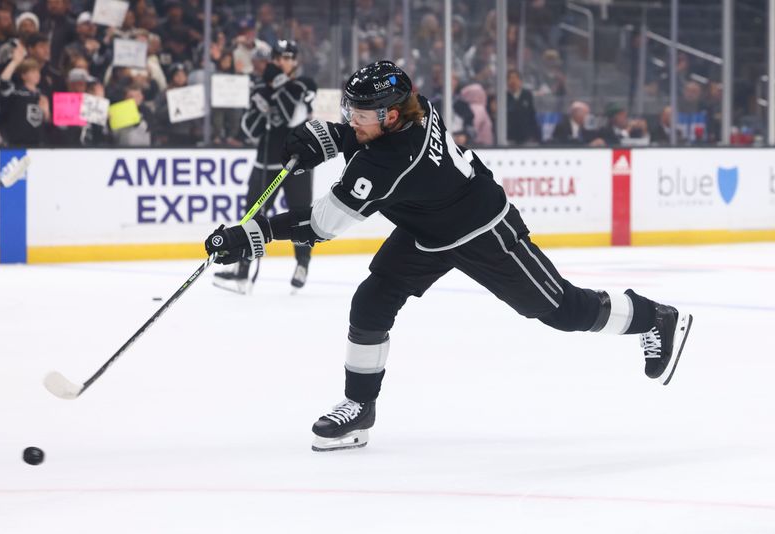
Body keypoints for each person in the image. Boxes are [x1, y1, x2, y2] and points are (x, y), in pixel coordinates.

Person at [204, 61, 694, 452]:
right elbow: (362, 137)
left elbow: (322, 226)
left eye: (361, 112)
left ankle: (655, 317)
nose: (353, 118)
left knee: (563, 310)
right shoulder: (415, 110)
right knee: (371, 303)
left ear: (391, 114)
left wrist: (254, 232)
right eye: (350, 109)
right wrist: (328, 137)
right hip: (427, 227)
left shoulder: (388, 163)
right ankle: (359, 408)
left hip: (482, 230)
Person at [213, 40, 317, 294]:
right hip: (265, 163)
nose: (282, 62)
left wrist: (276, 87)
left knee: (301, 215)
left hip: (295, 165)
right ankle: (242, 270)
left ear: (296, 61)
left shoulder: (305, 85)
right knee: (251, 216)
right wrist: (261, 106)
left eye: (287, 57)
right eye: (278, 57)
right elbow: (250, 130)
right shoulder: (261, 86)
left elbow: (292, 115)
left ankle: (302, 264)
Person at [506, 69, 541, 145]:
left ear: (520, 81)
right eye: (510, 78)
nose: (513, 81)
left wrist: (536, 135)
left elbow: (531, 115)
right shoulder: (504, 97)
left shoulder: (527, 95)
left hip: (526, 136)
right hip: (510, 137)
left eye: (515, 78)